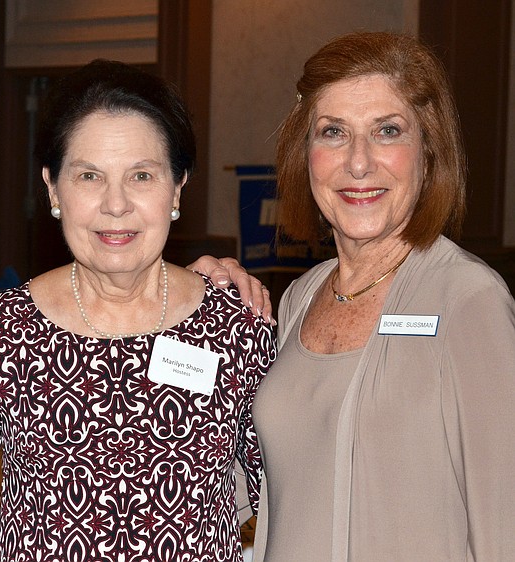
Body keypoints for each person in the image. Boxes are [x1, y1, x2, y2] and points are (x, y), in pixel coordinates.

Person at [199, 31, 515, 561]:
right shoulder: (299, 298)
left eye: (387, 131)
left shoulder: (467, 300)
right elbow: (224, 483)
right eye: (334, 132)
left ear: (428, 150)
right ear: (305, 153)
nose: (359, 162)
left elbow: (503, 526)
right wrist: (181, 308)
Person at [0, 59, 276, 562]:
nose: (116, 204)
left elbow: (282, 500)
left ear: (178, 187)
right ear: (53, 187)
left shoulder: (237, 326)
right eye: (89, 176)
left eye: (142, 175)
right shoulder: (2, 328)